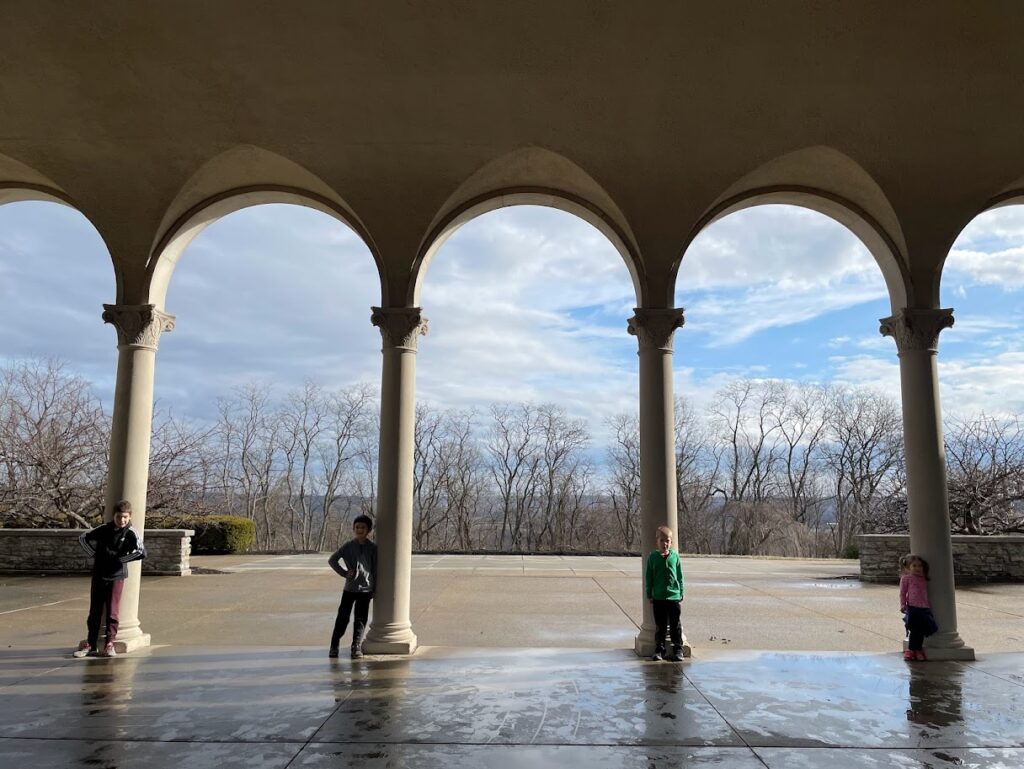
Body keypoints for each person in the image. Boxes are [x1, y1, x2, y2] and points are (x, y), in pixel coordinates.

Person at [72, 500, 146, 658]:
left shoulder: (131, 532)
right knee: (95, 611)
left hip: (116, 577)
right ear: (113, 515)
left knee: (112, 612)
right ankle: (90, 644)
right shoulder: (104, 529)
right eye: (119, 517)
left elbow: (141, 552)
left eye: (125, 517)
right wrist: (95, 555)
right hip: (99, 574)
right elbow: (83, 538)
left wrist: (120, 560)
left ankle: (109, 643)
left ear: (129, 516)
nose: (122, 520)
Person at [328, 515, 378, 659]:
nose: (359, 530)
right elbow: (332, 560)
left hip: (365, 590)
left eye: (363, 527)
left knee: (361, 619)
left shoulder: (373, 548)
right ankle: (334, 645)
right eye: (357, 527)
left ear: (368, 530)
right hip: (349, 589)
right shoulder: (348, 546)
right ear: (353, 529)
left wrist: (374, 589)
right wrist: (344, 573)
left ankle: (356, 646)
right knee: (343, 617)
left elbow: (375, 569)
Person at [645, 525, 685, 661]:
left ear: (671, 542)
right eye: (662, 541)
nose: (665, 544)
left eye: (667, 541)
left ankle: (678, 649)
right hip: (659, 597)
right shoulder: (653, 557)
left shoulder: (675, 557)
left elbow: (679, 576)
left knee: (675, 625)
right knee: (660, 626)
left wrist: (681, 591)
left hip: (673, 596)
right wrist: (649, 593)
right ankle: (659, 650)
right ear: (657, 542)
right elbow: (649, 577)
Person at [899, 553, 938, 661]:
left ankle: (918, 649)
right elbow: (902, 593)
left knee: (921, 631)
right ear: (908, 568)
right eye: (914, 566)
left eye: (920, 566)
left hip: (924, 608)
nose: (917, 568)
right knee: (914, 630)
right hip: (912, 608)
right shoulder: (906, 578)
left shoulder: (923, 578)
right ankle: (911, 650)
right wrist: (903, 605)